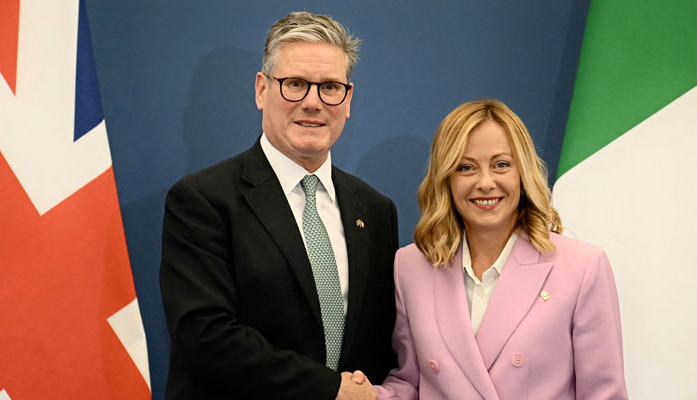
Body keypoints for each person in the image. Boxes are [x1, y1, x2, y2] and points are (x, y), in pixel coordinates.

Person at [159, 12, 397, 399]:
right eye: (296, 84)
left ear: (348, 99)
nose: (313, 102)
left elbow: (378, 344)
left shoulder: (374, 210)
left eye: (330, 87)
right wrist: (328, 390)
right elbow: (204, 337)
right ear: (261, 90)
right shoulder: (202, 200)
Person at [368, 100, 628, 399]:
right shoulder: (411, 266)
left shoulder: (582, 266)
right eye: (465, 168)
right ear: (446, 179)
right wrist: (364, 395)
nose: (486, 182)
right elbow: (411, 384)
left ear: (523, 172)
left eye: (501, 164)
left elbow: (604, 394)